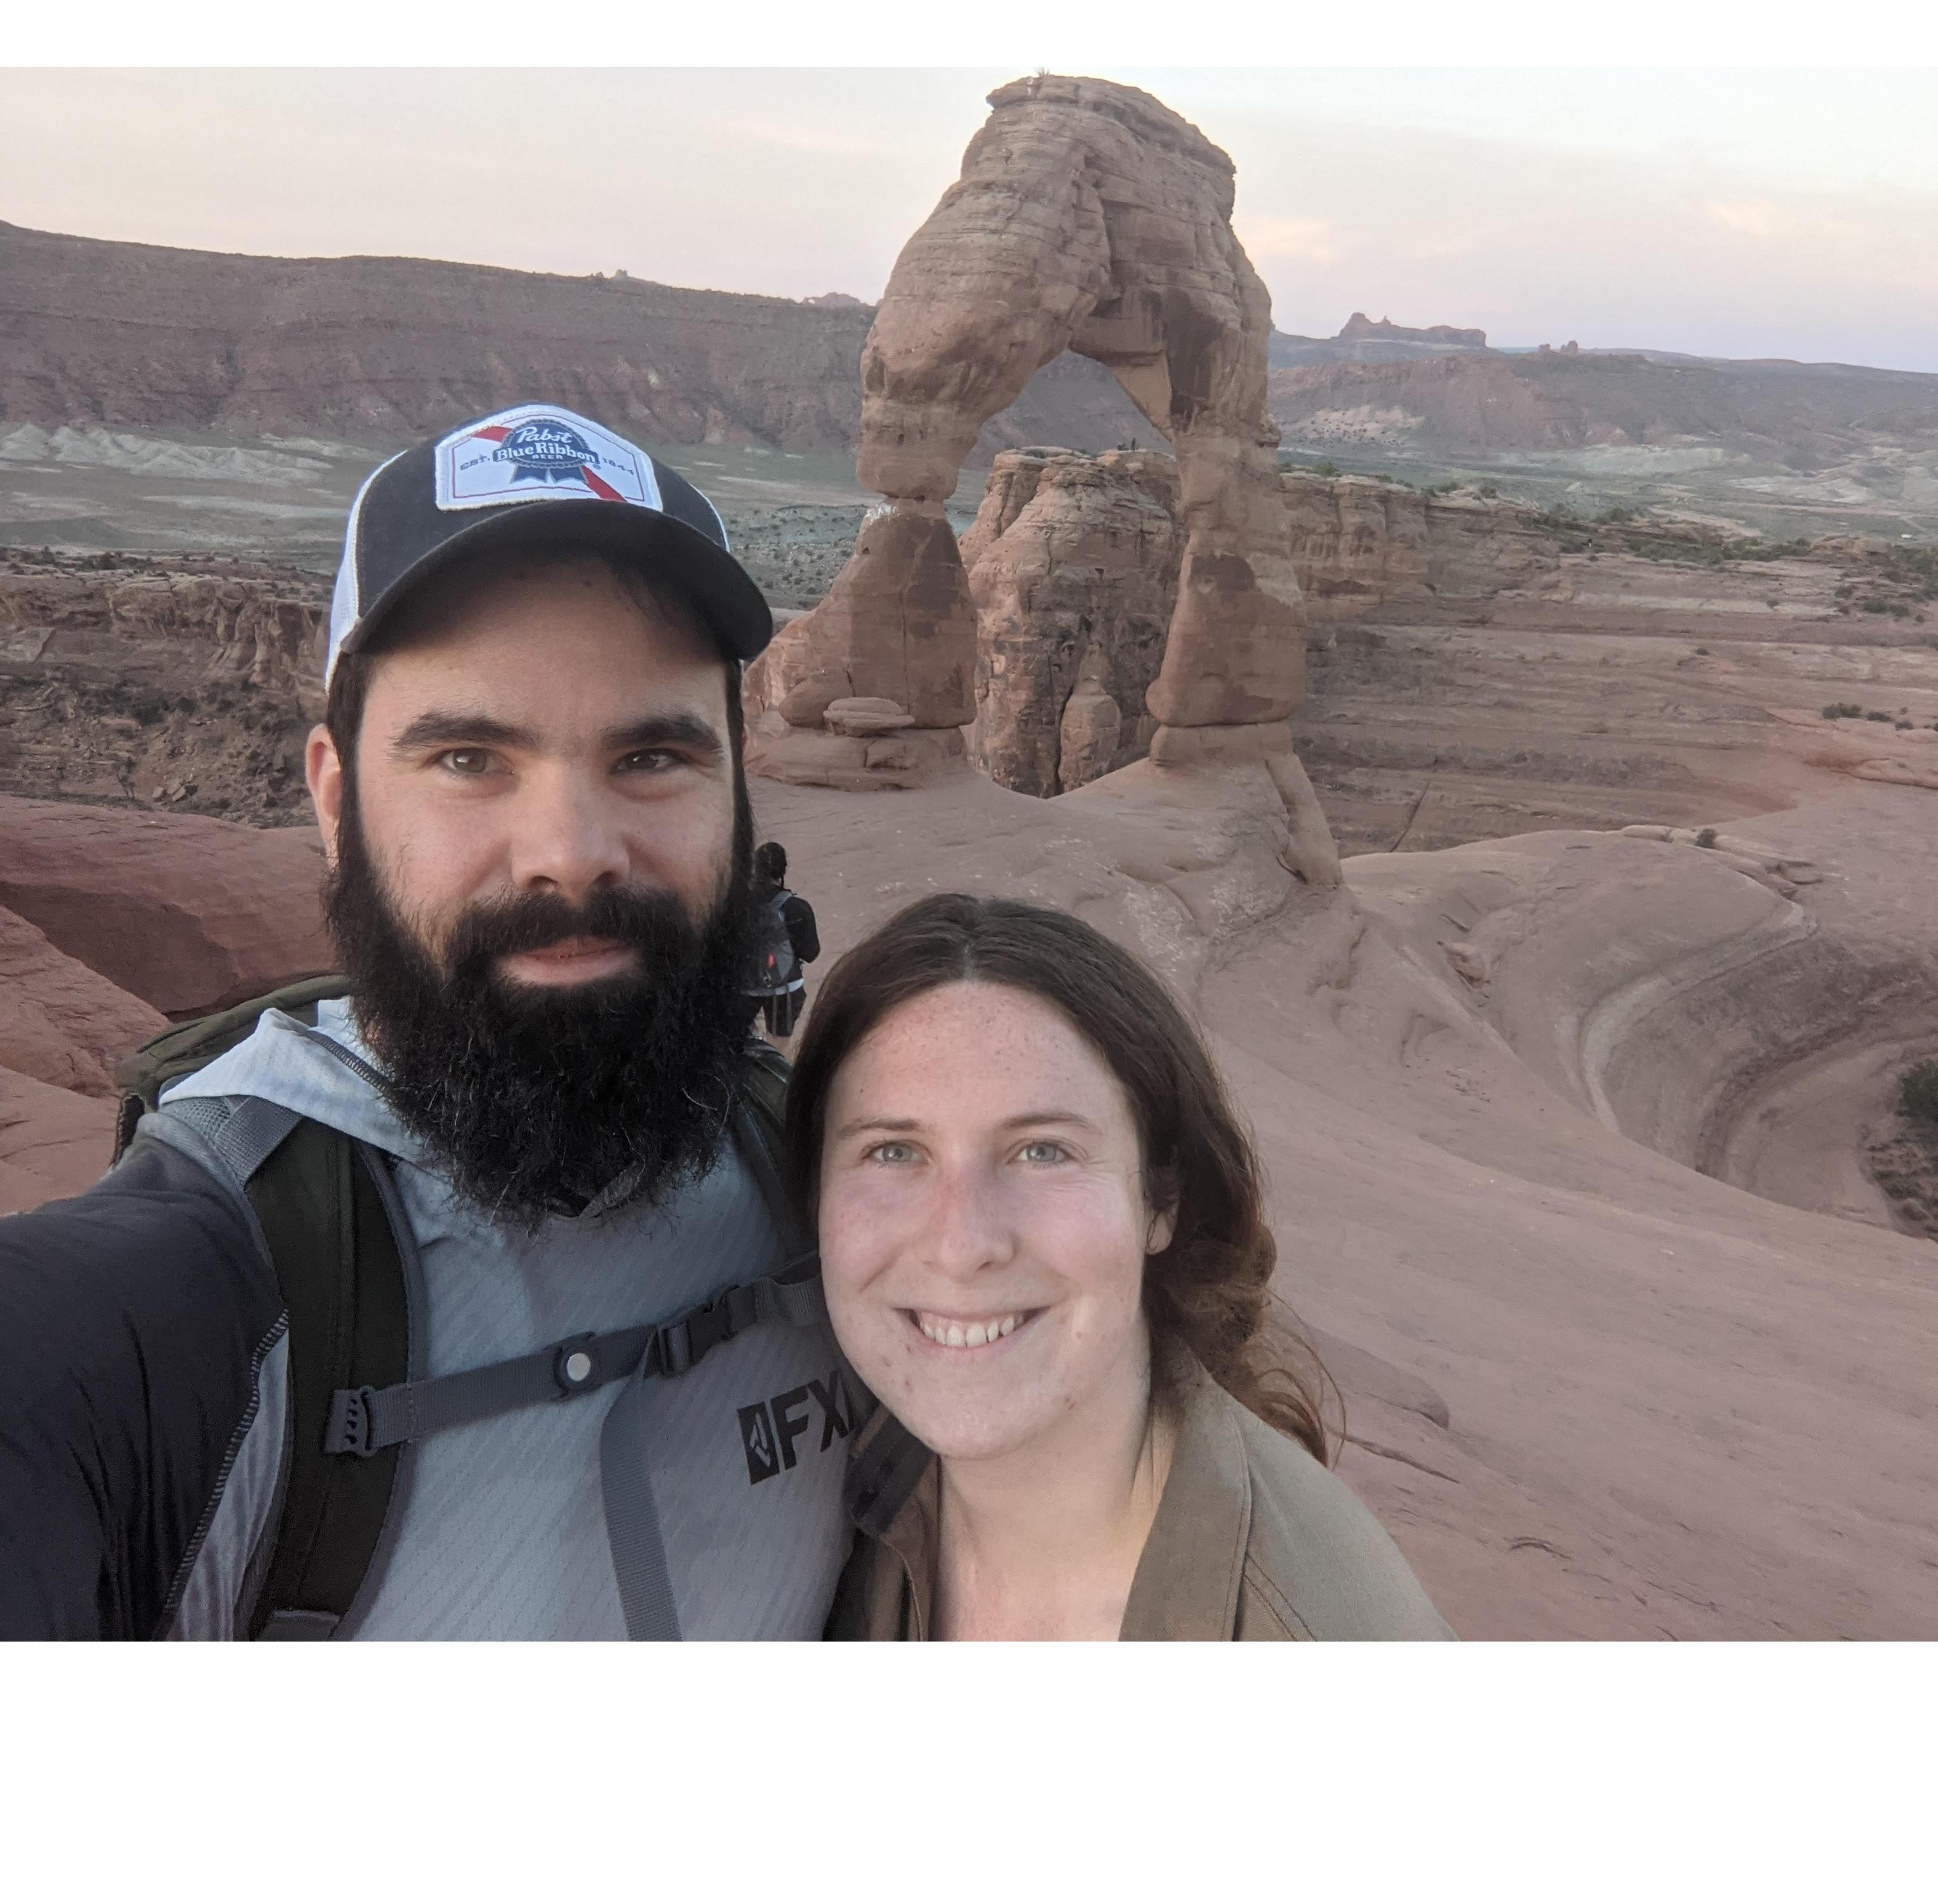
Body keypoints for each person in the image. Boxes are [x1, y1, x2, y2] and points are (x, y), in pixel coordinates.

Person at [0, 403, 859, 1640]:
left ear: (736, 786)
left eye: (651, 757)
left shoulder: (836, 1200)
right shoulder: (169, 1306)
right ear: (336, 800)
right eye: (467, 756)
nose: (570, 853)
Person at [791, 893, 1455, 1641]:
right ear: (816, 1196)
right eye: (894, 1151)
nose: (962, 1244)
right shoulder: (817, 1519)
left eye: (1043, 1151)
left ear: (1160, 1201)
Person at [745, 841, 821, 1039]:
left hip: (744, 988)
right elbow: (811, 954)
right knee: (779, 1044)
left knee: (739, 1043)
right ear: (783, 871)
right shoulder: (797, 908)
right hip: (786, 987)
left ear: (754, 869)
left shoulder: (736, 905)